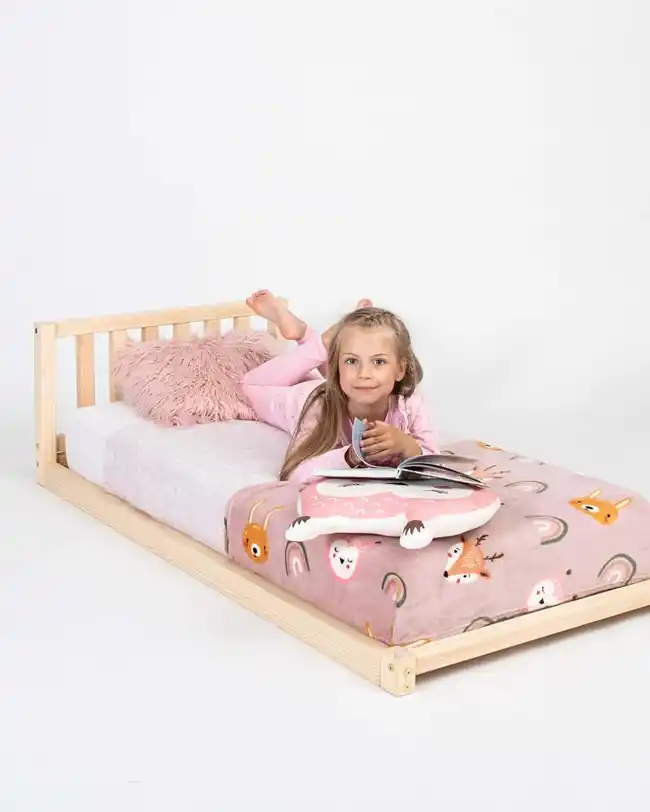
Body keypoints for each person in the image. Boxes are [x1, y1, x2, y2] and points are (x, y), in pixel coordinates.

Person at [240, 290, 439, 483]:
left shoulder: (409, 402)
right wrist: (349, 456)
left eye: (379, 362)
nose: (364, 374)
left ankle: (313, 337)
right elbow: (295, 474)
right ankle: (322, 342)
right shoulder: (317, 408)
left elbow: (436, 462)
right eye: (352, 361)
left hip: (340, 388)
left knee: (354, 379)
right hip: (304, 395)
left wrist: (407, 446)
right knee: (250, 386)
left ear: (400, 369)